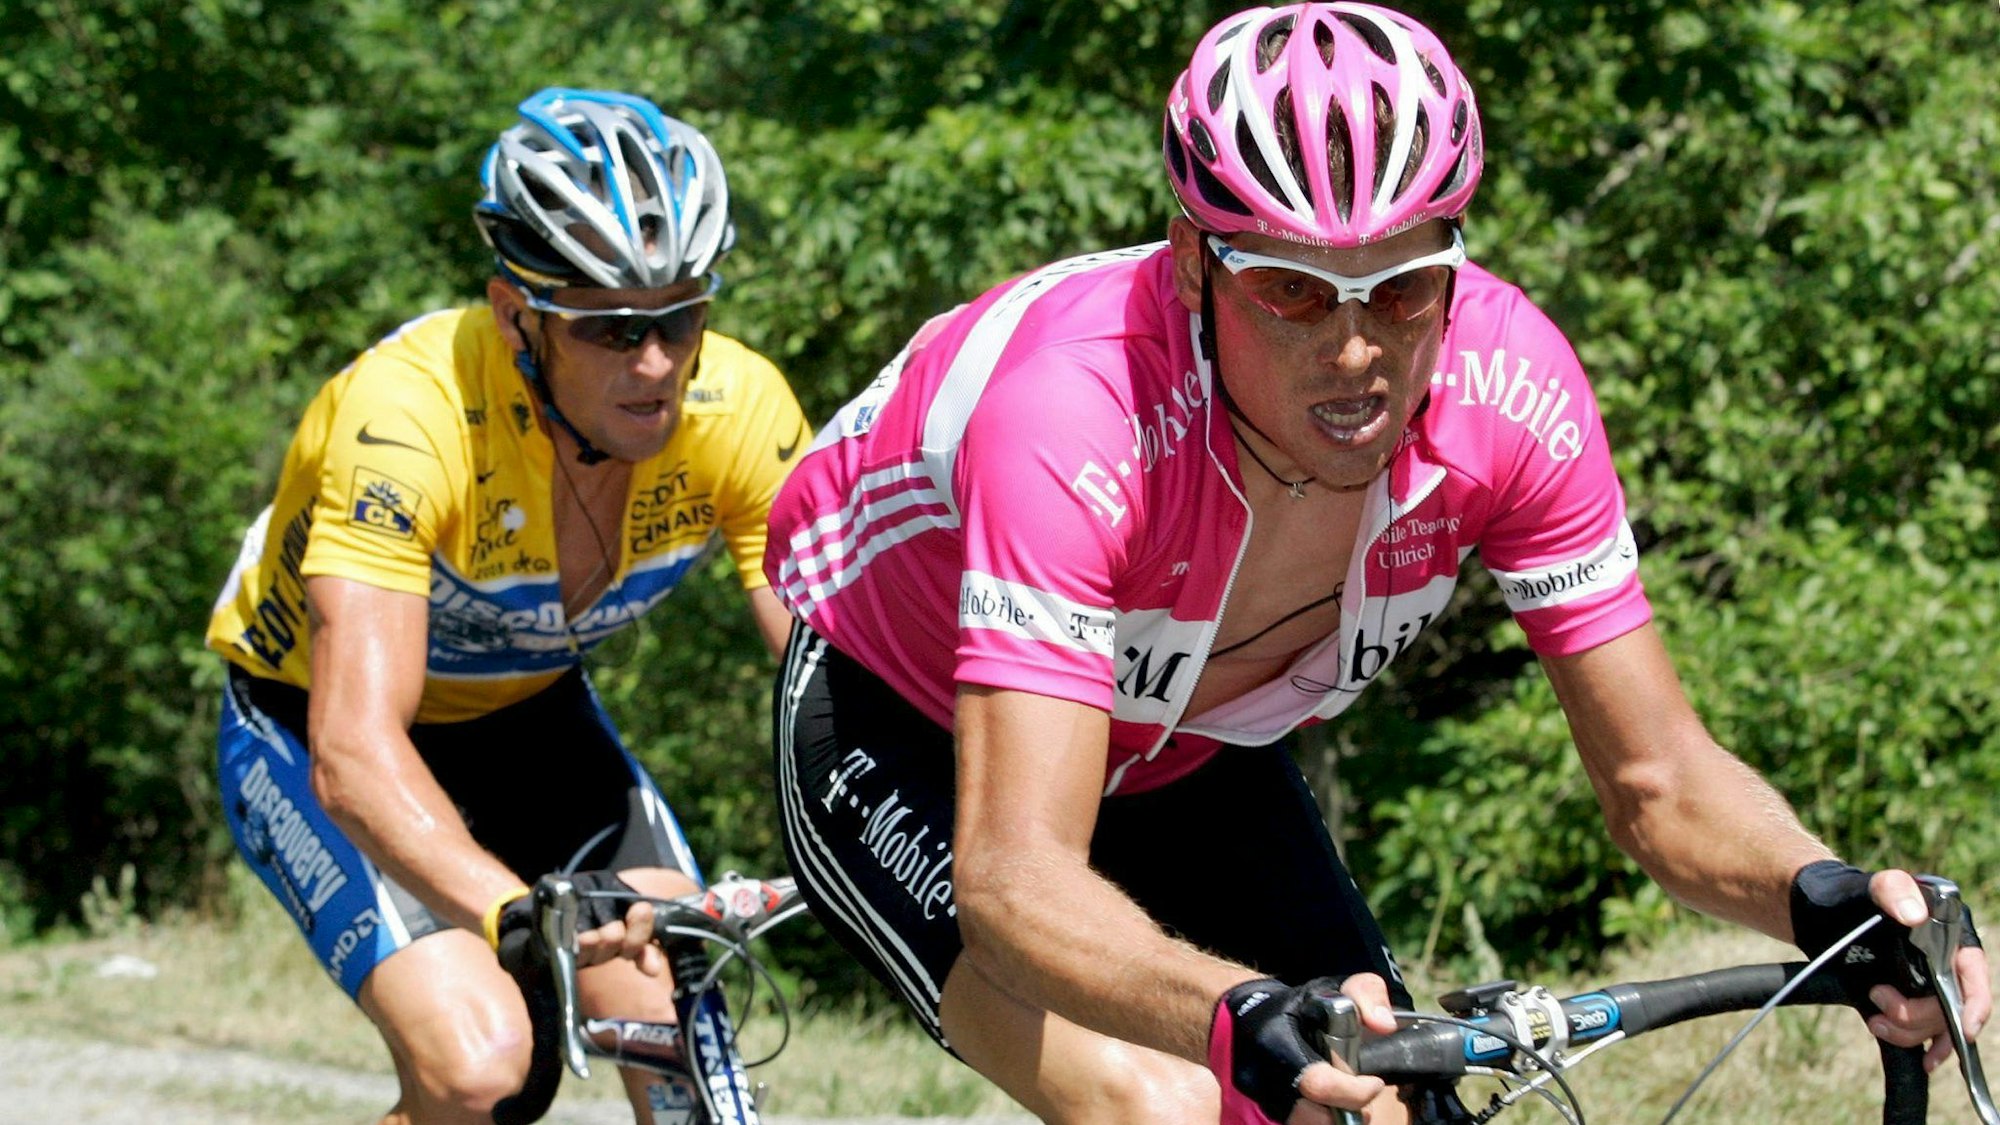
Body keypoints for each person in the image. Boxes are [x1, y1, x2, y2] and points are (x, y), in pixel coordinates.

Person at [761, 5, 1990, 1123]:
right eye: (1293, 292)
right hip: (902, 713)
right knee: (1159, 1101)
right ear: (1195, 263)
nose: (1354, 350)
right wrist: (1230, 1012)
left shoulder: (1509, 392)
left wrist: (1820, 897)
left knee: (1392, 1109)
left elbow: (1656, 778)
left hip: (1194, 747)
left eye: (1400, 288)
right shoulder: (1076, 417)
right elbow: (1017, 880)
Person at [208, 86, 808, 1124]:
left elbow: (831, 679)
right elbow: (353, 751)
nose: (655, 362)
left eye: (679, 315)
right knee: (483, 1070)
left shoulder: (739, 410)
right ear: (514, 313)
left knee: (683, 1033)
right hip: (312, 728)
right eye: (610, 330)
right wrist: (509, 914)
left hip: (530, 722)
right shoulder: (408, 418)